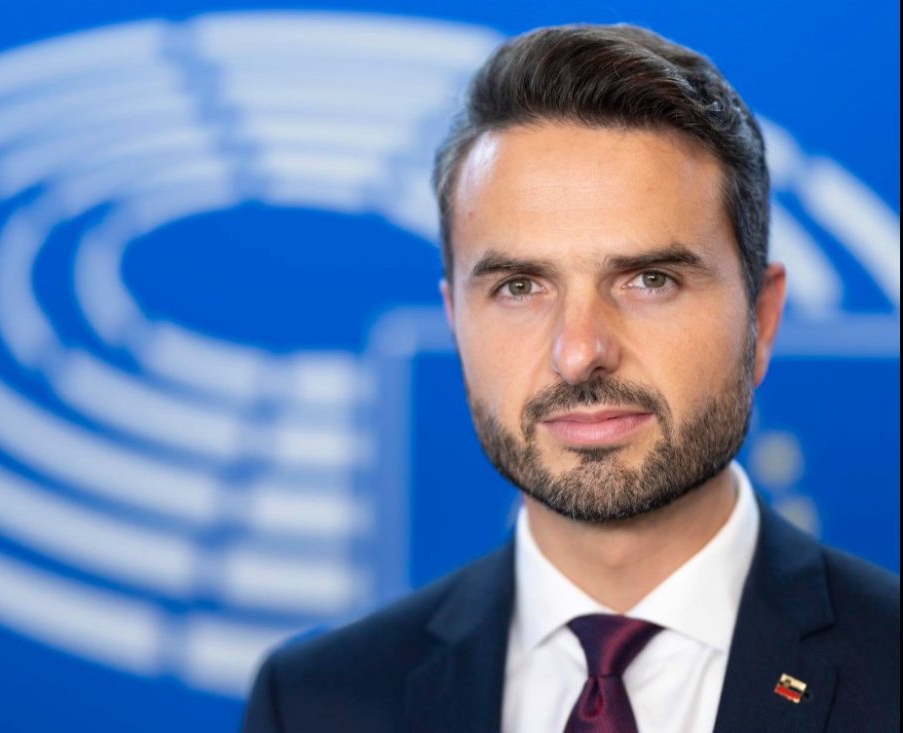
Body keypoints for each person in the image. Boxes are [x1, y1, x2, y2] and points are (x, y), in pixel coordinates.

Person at [242, 23, 899, 733]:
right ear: (456, 322)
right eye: (520, 287)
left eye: (650, 279)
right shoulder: (314, 703)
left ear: (762, 320)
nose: (580, 352)